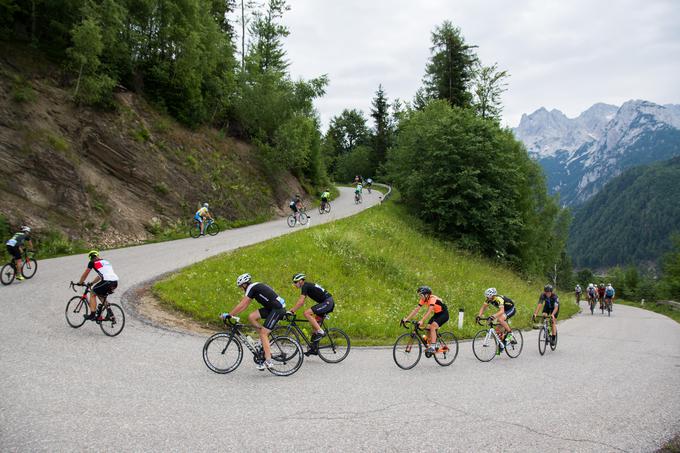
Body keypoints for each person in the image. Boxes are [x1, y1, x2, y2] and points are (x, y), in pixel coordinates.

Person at [220, 273, 286, 371]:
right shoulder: (254, 287)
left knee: (264, 333)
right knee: (252, 317)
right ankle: (263, 340)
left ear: (244, 285)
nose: (241, 289)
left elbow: (242, 304)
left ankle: (268, 361)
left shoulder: (251, 288)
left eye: (241, 287)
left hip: (277, 309)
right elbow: (245, 305)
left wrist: (230, 314)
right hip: (272, 308)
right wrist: (234, 314)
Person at [289, 273, 335, 354]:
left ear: (300, 281)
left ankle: (321, 332)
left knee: (306, 313)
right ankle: (314, 349)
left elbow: (301, 302)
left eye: (295, 282)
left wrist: (292, 310)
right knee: (314, 326)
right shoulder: (306, 286)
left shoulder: (305, 286)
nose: (294, 284)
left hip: (328, 302)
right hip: (326, 302)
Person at [402, 286, 449, 353]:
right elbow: (416, 310)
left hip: (444, 314)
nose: (420, 297)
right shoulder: (423, 299)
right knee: (428, 328)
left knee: (433, 327)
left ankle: (433, 347)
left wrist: (422, 320)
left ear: (426, 295)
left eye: (421, 295)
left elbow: (429, 311)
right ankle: (432, 344)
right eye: (419, 295)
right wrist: (407, 319)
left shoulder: (432, 298)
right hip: (437, 314)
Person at [77, 250, 119, 321]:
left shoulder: (92, 262)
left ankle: (92, 315)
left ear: (90, 258)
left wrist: (80, 282)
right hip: (115, 282)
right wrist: (92, 283)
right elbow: (101, 275)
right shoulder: (105, 262)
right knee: (100, 295)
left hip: (107, 281)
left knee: (92, 292)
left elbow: (85, 274)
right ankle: (110, 315)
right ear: (97, 256)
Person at [476, 288, 516, 352]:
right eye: (487, 296)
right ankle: (503, 342)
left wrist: (493, 316)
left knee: (500, 319)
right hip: (504, 310)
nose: (487, 298)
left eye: (488, 296)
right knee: (497, 330)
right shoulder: (488, 299)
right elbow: (483, 308)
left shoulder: (498, 299)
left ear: (493, 296)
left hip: (510, 309)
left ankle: (510, 333)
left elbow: (502, 311)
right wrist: (479, 316)